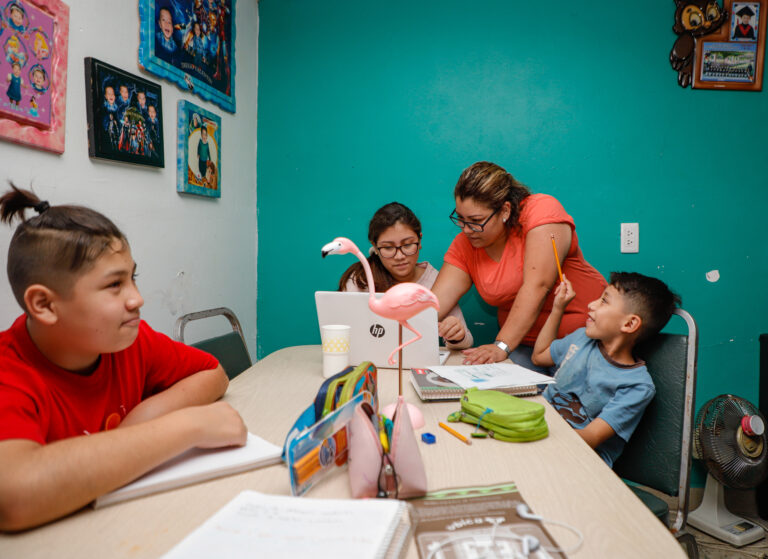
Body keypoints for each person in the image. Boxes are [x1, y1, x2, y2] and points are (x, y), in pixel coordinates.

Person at [0, 185, 247, 531]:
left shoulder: (130, 341)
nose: (137, 299)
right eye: (114, 285)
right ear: (44, 305)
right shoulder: (9, 372)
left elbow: (212, 372)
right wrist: (186, 427)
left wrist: (141, 420)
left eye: (133, 278)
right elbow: (13, 497)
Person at [431, 161, 606, 367]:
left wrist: (501, 346)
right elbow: (432, 306)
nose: (466, 229)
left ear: (504, 211)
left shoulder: (541, 210)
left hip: (581, 338)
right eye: (460, 218)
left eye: (476, 220)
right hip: (523, 346)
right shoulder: (465, 244)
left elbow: (537, 286)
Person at [531, 272, 680, 467]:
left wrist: (527, 429)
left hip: (582, 461)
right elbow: (539, 355)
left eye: (604, 301)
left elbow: (590, 437)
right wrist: (558, 308)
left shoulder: (637, 386)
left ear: (629, 323)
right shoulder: (582, 338)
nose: (591, 304)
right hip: (541, 436)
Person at [339, 202, 473, 350]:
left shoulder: (437, 282)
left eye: (408, 245)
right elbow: (341, 331)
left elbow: (465, 342)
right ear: (375, 247)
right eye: (388, 248)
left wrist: (456, 335)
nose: (400, 256)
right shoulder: (360, 280)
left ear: (420, 240)